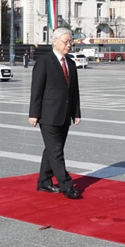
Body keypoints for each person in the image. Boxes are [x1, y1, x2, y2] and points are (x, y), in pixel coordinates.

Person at [28, 27, 82, 200]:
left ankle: (44, 181)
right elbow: (36, 89)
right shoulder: (44, 62)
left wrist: (76, 113)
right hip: (47, 115)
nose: (69, 45)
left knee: (52, 150)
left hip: (65, 115)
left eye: (71, 42)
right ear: (55, 41)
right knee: (56, 151)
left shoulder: (71, 63)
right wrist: (33, 113)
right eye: (66, 42)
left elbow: (74, 92)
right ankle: (67, 185)